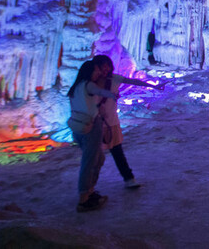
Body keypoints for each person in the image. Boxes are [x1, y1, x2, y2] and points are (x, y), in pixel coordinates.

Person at [93, 54, 164, 189]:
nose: (105, 69)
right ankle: (89, 187)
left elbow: (133, 81)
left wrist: (153, 86)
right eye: (102, 67)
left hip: (111, 122)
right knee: (95, 157)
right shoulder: (91, 82)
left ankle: (129, 178)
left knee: (117, 152)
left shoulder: (114, 79)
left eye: (107, 66)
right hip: (96, 124)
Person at [67, 60, 117, 212]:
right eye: (96, 71)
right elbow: (100, 92)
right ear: (89, 72)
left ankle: (89, 191)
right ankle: (84, 199)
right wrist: (112, 94)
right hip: (90, 127)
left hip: (77, 127)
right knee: (89, 162)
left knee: (99, 158)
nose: (98, 73)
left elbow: (82, 104)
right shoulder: (88, 85)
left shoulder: (76, 87)